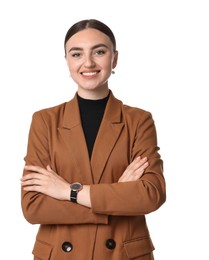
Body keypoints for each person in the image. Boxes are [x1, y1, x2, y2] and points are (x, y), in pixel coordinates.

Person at [20, 18, 166, 260]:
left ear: (114, 58)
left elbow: (151, 194)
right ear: (67, 61)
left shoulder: (139, 120)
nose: (88, 63)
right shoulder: (44, 121)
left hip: (121, 254)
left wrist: (68, 191)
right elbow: (33, 206)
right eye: (76, 54)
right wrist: (117, 196)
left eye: (99, 51)